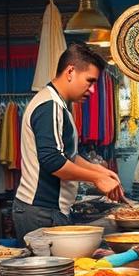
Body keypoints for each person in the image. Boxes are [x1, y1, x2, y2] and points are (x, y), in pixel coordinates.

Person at [13, 43, 125, 241]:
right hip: (41, 211)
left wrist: (98, 170)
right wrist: (96, 179)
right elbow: (53, 161)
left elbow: (67, 156)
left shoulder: (59, 105)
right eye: (89, 81)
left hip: (46, 210)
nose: (91, 90)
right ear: (70, 71)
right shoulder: (50, 105)